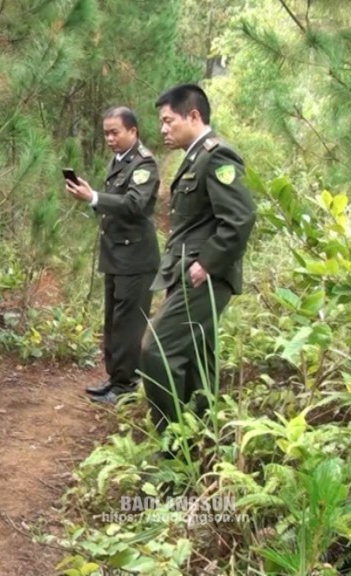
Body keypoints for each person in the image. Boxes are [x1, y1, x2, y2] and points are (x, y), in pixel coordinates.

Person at [140, 84, 256, 434]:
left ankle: (173, 441)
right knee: (198, 357)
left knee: (155, 351)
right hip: (188, 273)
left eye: (168, 121)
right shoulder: (195, 156)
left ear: (193, 115)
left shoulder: (216, 155)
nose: (162, 129)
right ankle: (204, 433)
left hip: (205, 276)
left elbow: (240, 217)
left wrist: (207, 263)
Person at [65, 107, 161, 405]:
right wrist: (92, 197)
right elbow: (114, 204)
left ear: (133, 131)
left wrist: (93, 197)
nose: (109, 138)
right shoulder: (119, 160)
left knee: (129, 324)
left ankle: (128, 385)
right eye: (106, 132)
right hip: (116, 254)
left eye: (115, 132)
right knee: (113, 321)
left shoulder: (144, 164)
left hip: (136, 257)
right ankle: (116, 377)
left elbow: (134, 204)